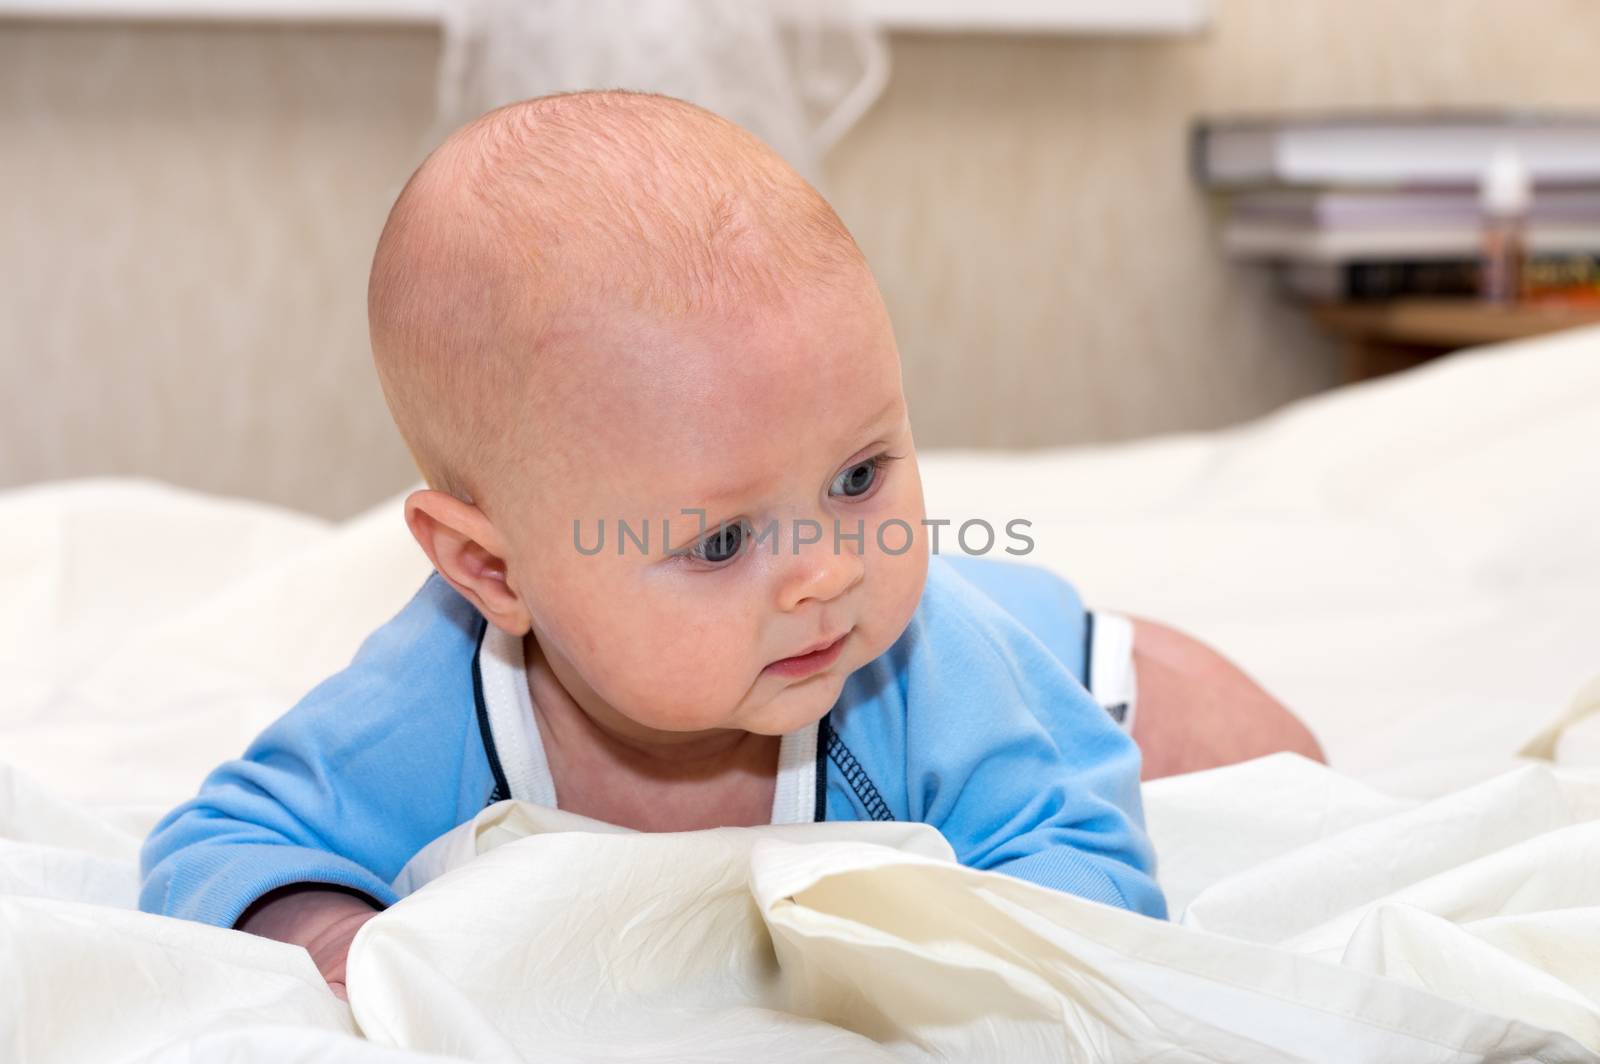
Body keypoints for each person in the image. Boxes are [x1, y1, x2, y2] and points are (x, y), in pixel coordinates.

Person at [139, 91, 1323, 1001]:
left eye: (859, 475)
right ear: (494, 573)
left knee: (1276, 772)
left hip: (1060, 660)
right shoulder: (434, 701)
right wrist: (332, 937)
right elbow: (220, 845)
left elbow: (1072, 830)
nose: (826, 570)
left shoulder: (914, 664)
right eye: (718, 541)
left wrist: (979, 971)